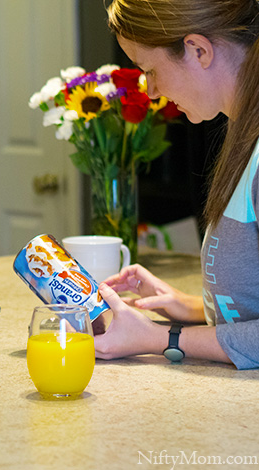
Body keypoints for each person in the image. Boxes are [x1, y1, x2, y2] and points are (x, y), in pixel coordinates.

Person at [95, 0, 259, 369]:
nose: (150, 91)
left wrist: (161, 338)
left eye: (150, 70)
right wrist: (190, 305)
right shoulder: (244, 134)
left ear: (198, 50)